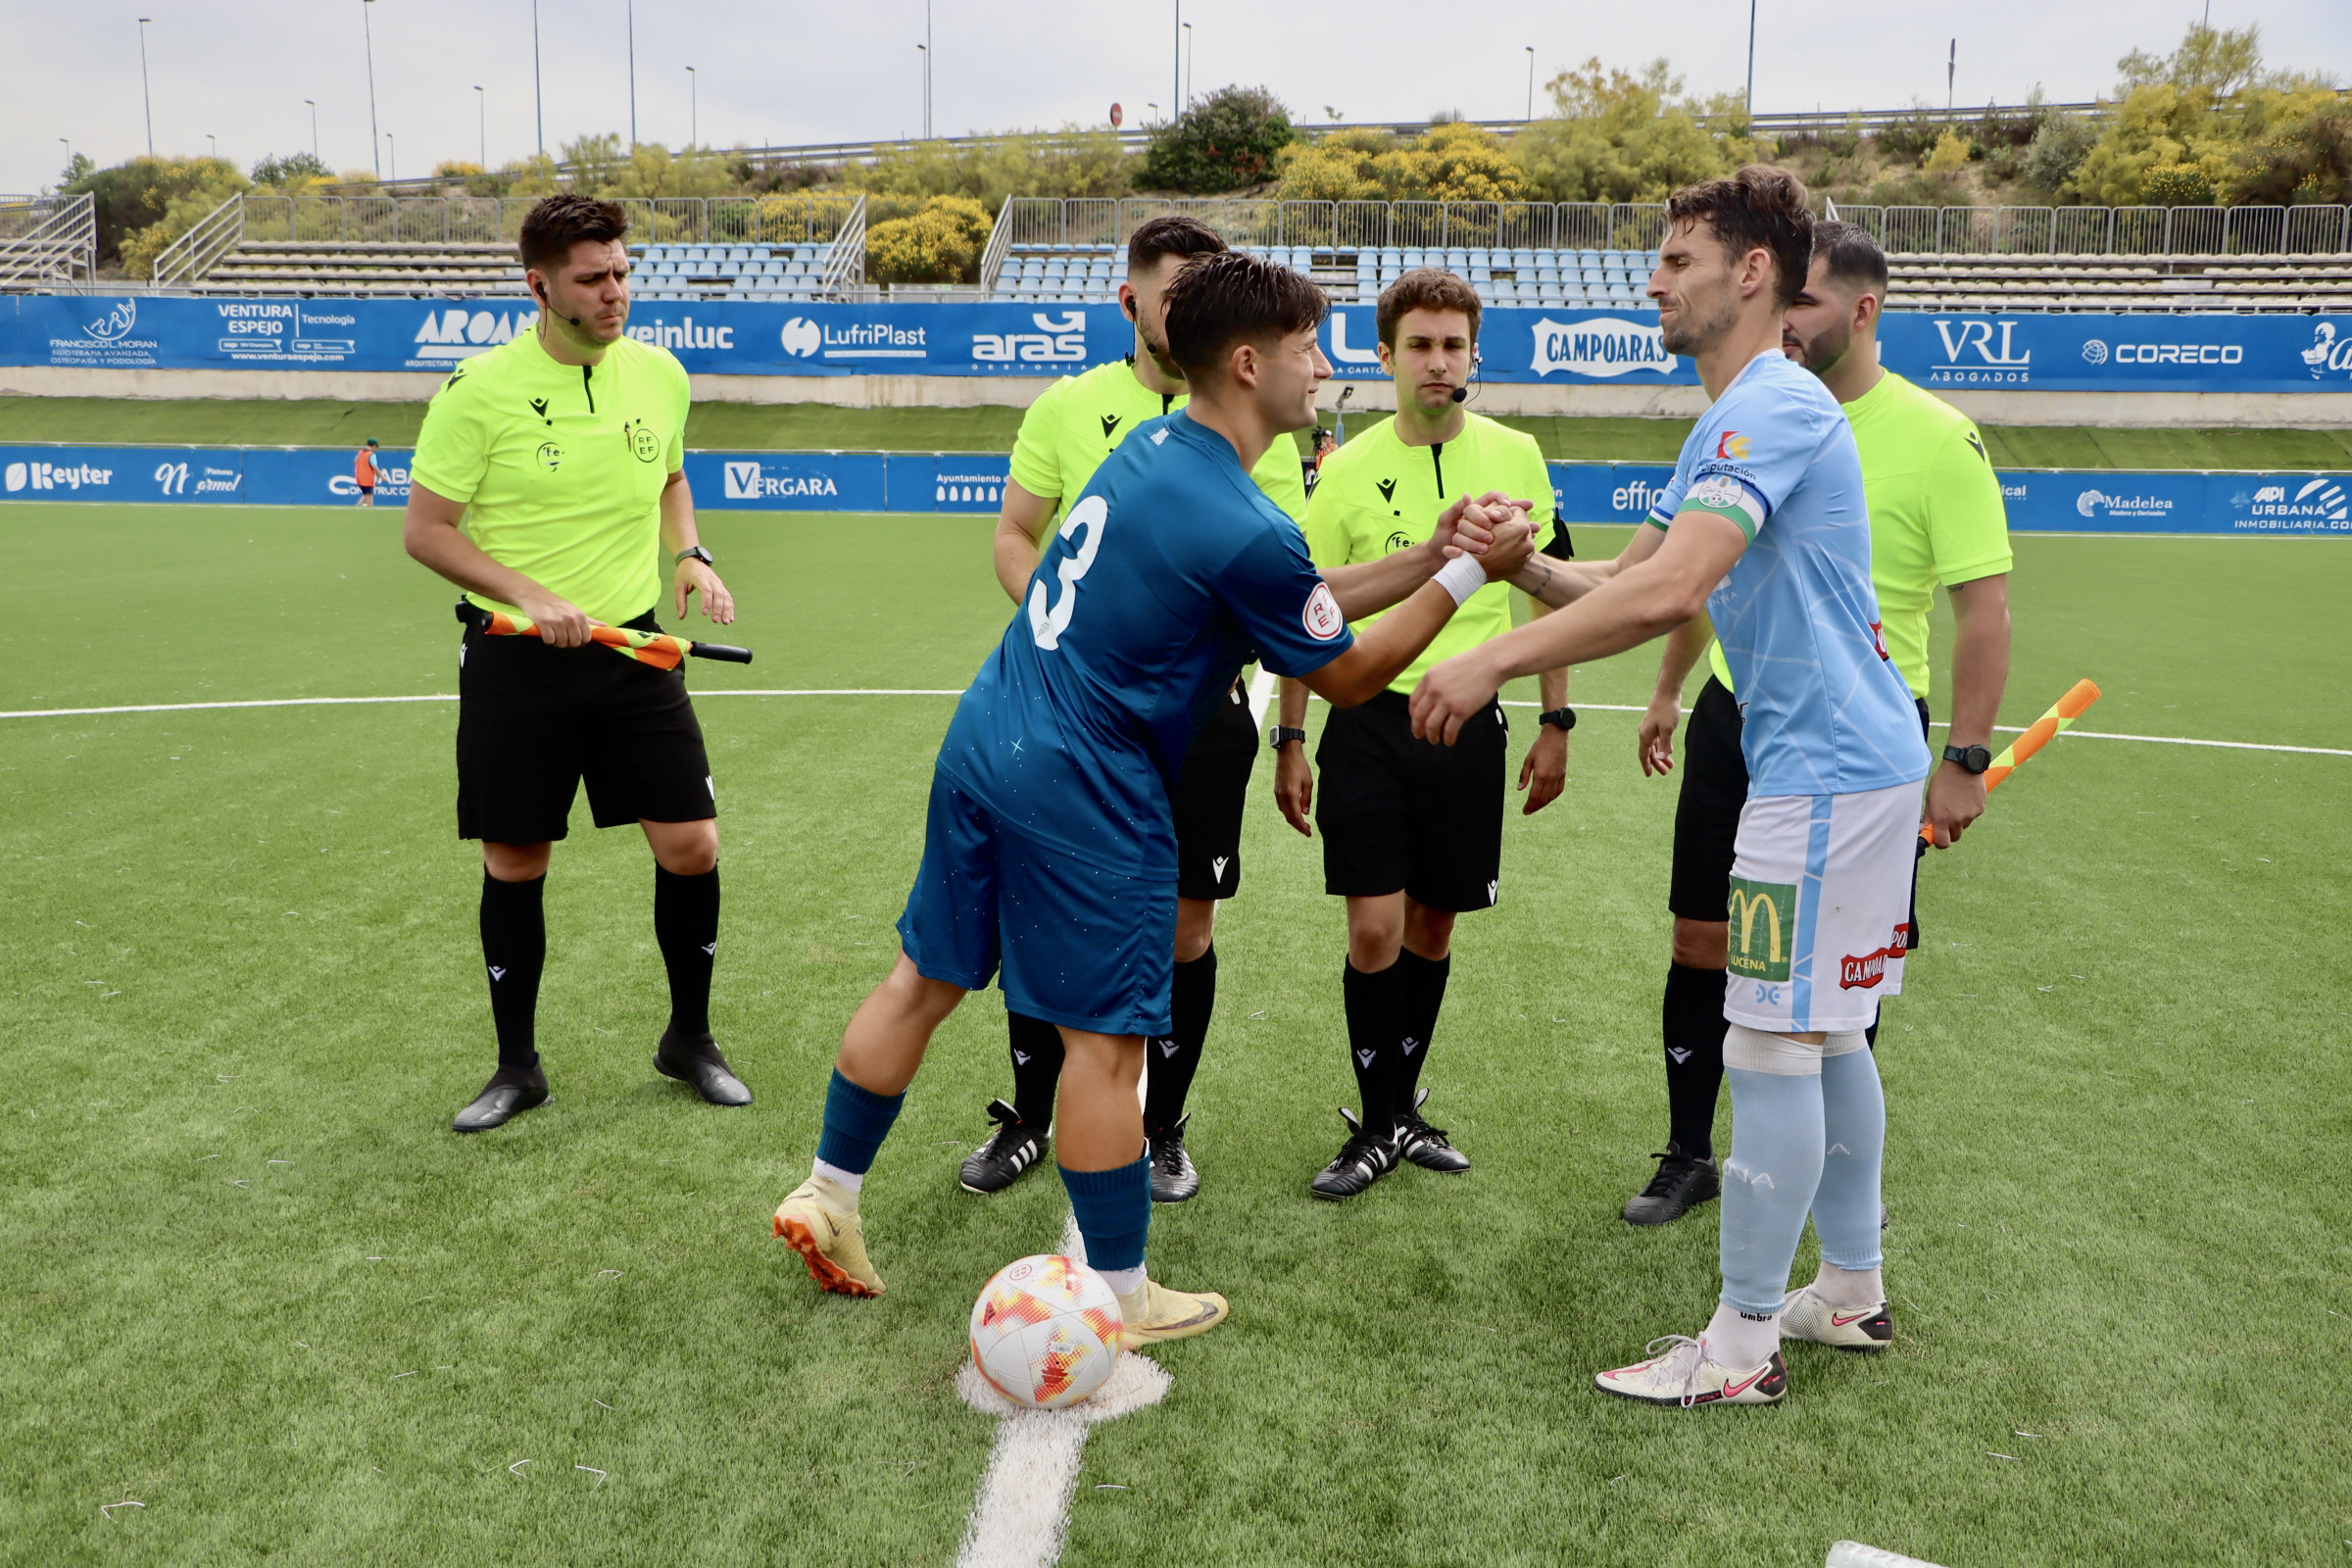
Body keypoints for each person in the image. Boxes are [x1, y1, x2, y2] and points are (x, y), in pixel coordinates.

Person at [770, 252, 1536, 1341]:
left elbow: (1286, 598)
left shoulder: (1151, 450)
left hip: (988, 738)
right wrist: (1471, 575)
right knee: (1106, 1047)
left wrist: (1427, 554)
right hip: (1086, 782)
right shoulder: (1239, 515)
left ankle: (829, 1193)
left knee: (922, 979)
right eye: (1306, 347)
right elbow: (1351, 670)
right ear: (1245, 361)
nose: (1320, 367)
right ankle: (1122, 1292)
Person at [1411, 167, 1931, 1407]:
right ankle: (1848, 1289)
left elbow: (1669, 594)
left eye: (1680, 258)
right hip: (1850, 768)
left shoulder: (1775, 409)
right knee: (1831, 1028)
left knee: (1765, 1040)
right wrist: (1520, 566)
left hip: (1817, 779)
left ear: (1754, 272)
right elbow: (1618, 589)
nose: (1655, 277)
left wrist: (1487, 659)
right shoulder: (1729, 417)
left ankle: (1740, 1348)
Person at [1619, 220, 2013, 1227]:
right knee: (1702, 938)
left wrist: (1964, 756)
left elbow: (1985, 610)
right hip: (1738, 711)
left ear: (1863, 309)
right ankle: (1689, 1154)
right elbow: (1693, 575)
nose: (1785, 321)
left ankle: (1826, 1209)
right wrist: (1670, 687)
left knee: (1833, 998)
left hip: (1854, 737)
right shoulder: (1745, 411)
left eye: (1806, 304)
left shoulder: (1933, 436)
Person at [964, 216, 1310, 1206]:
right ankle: (1032, 1115)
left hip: (1199, 714)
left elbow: (1284, 577)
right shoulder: (1069, 407)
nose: (1198, 310)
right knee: (1043, 913)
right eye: (1176, 295)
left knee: (1183, 929)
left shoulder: (1256, 419)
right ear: (1131, 304)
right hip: (1070, 712)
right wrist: (1069, 642)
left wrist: (1290, 732)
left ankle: (1161, 1126)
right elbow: (1015, 537)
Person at [402, 193, 750, 1134]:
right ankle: (517, 1066)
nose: (614, 293)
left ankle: (690, 1039)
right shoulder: (478, 391)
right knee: (517, 858)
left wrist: (689, 553)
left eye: (622, 274)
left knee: (692, 843)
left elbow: (672, 476)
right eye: (592, 279)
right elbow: (427, 533)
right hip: (518, 660)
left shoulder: (660, 376)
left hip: (634, 649)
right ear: (539, 284)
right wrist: (529, 596)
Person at [1269, 268, 1578, 1200]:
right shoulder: (1347, 467)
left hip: (1468, 725)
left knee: (1434, 926)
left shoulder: (1518, 453)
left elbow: (1550, 593)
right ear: (1386, 354)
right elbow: (1303, 606)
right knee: (1374, 930)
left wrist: (1555, 718)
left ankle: (1398, 1112)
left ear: (1475, 354)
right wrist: (1290, 738)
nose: (1438, 362)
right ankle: (1376, 1120)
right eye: (1419, 345)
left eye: (1453, 345)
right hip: (1366, 718)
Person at [354, 439, 380, 507]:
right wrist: (382, 476)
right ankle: (370, 508)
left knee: (366, 494)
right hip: (368, 477)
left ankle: (357, 506)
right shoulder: (371, 454)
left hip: (360, 476)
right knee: (369, 494)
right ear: (374, 446)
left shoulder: (360, 452)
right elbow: (374, 466)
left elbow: (355, 461)